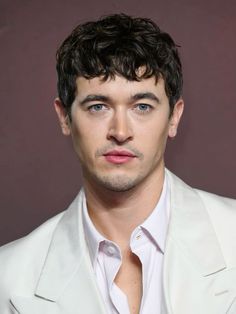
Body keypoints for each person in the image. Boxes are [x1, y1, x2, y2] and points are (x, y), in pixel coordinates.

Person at [0, 13, 235, 314]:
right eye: (98, 106)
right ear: (64, 117)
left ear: (174, 117)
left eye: (142, 106)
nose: (120, 132)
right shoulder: (9, 277)